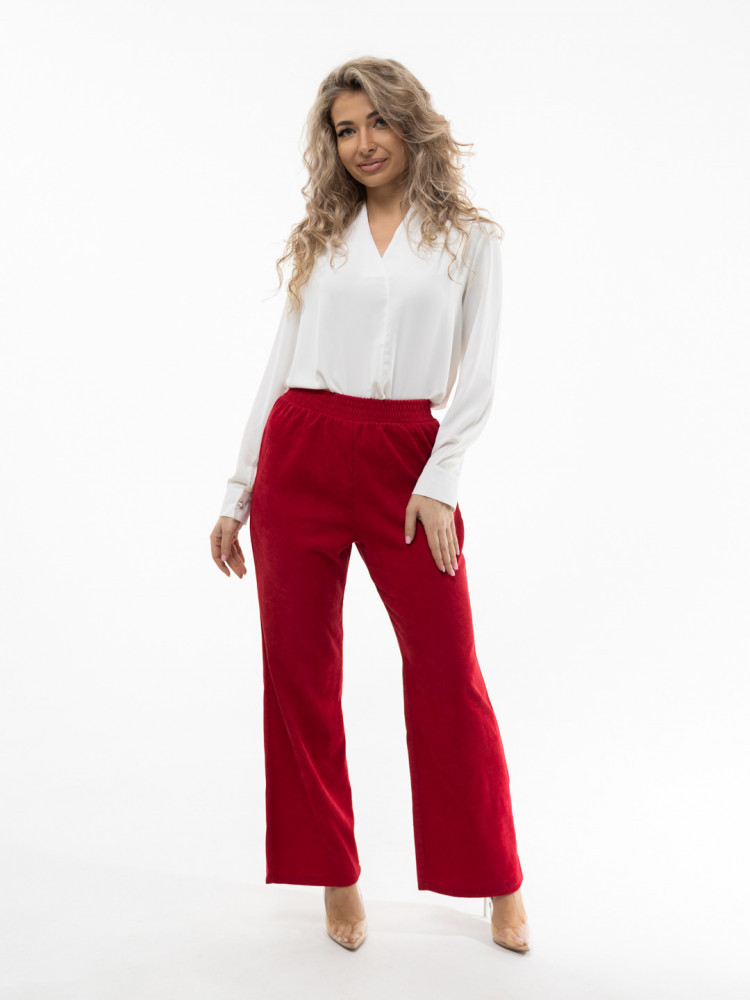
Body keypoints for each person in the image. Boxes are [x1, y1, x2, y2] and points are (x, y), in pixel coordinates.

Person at [209, 56, 531, 954]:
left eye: (376, 122)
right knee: (299, 674)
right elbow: (280, 367)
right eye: (345, 130)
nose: (362, 144)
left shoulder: (470, 239)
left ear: (410, 123)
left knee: (447, 670)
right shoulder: (323, 236)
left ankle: (496, 875)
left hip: (405, 462)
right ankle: (334, 871)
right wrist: (238, 489)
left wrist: (440, 481)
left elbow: (478, 376)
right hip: (301, 451)